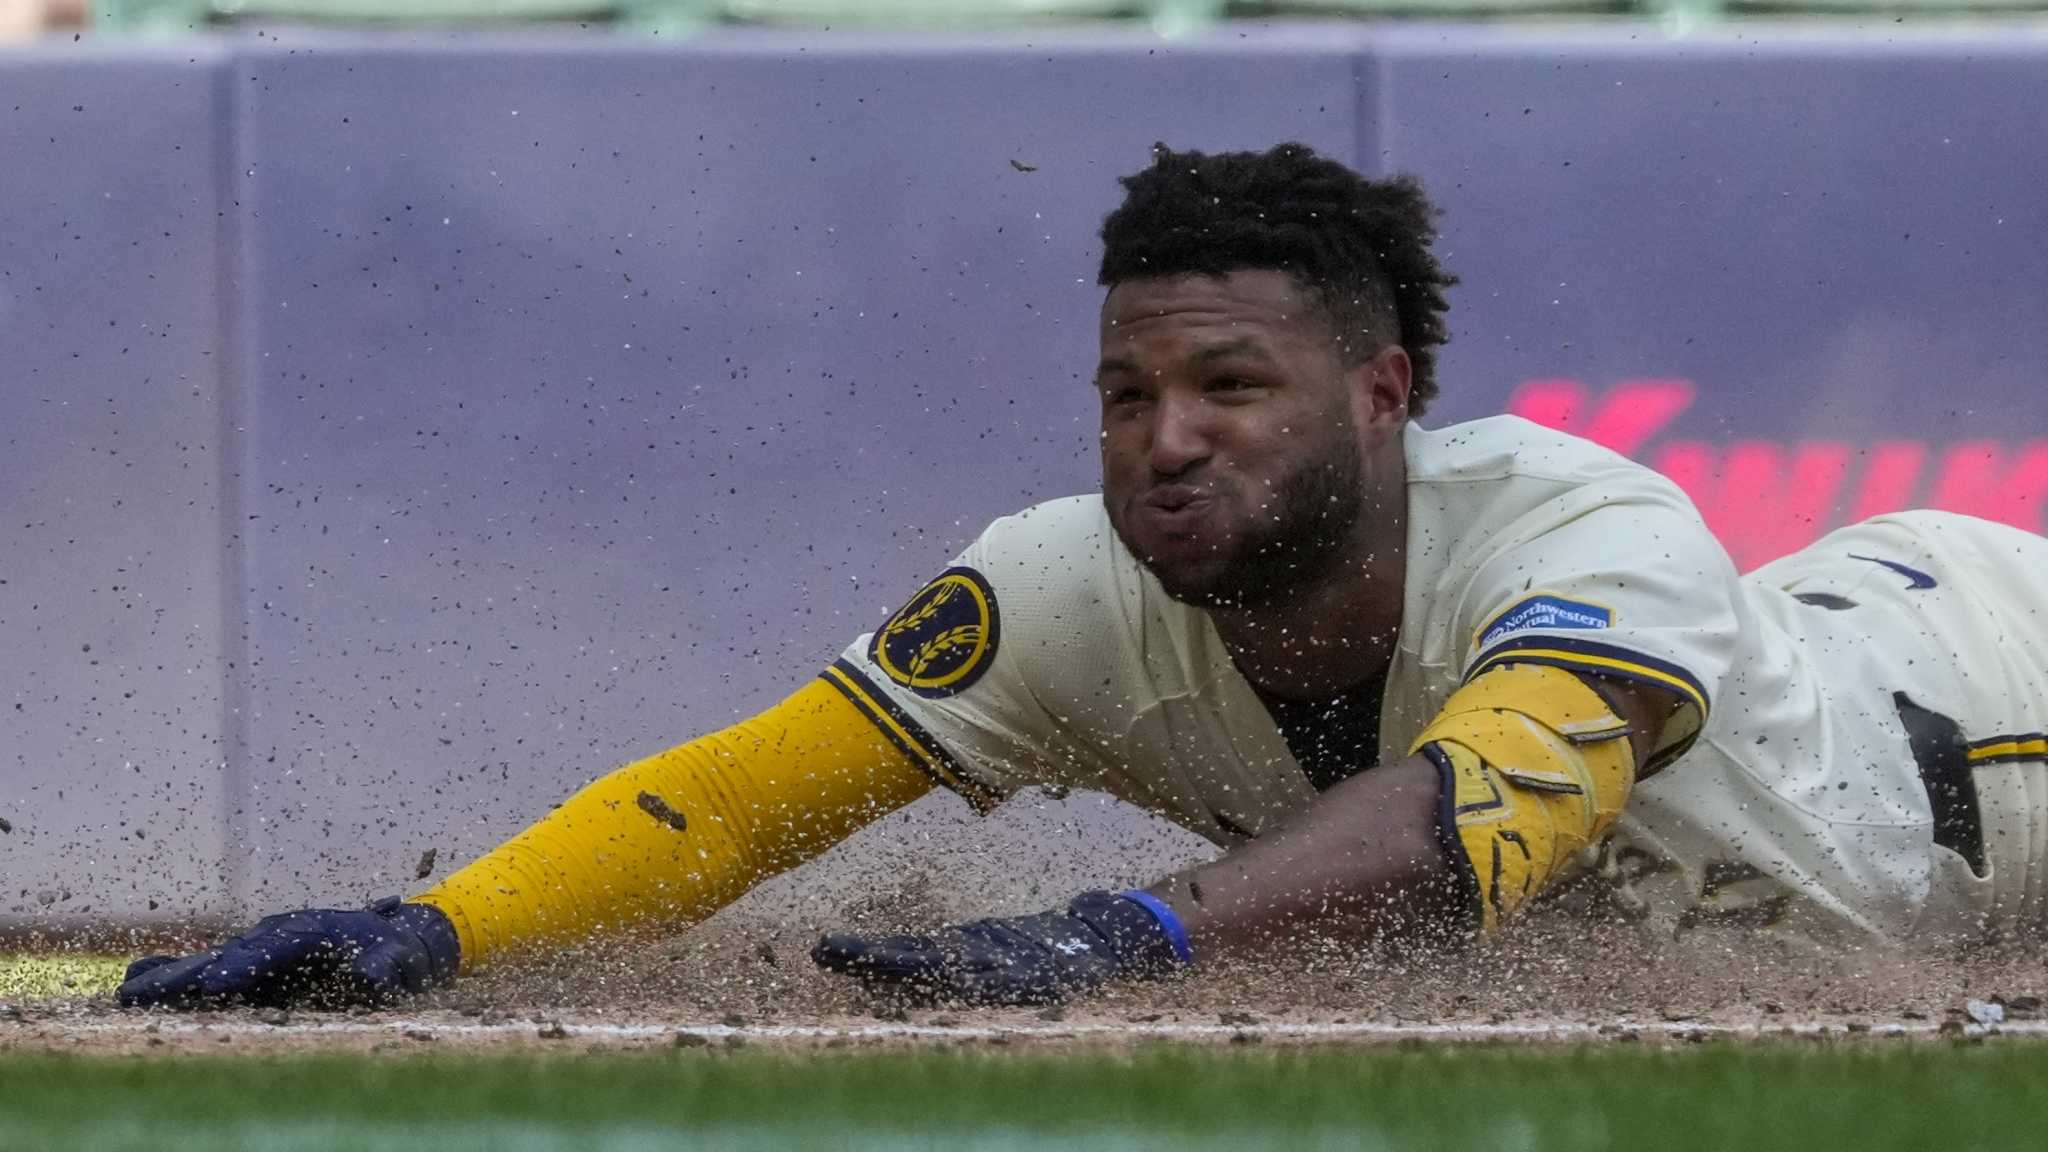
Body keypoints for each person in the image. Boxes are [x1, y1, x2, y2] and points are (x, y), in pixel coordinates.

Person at [118, 142, 2048, 1011]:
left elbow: (1485, 813)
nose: (1166, 436)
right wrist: (441, 930)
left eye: (1231, 383)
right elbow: (731, 801)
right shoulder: (1060, 588)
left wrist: (1125, 937)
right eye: (1127, 388)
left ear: (1383, 396)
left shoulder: (1577, 525)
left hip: (1989, 703)